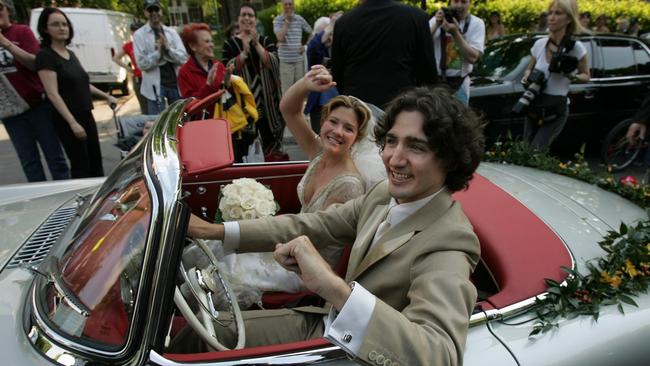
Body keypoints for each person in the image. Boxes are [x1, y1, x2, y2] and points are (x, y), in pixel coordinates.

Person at [183, 85, 485, 365]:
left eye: (416, 147)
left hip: (351, 353)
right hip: (323, 322)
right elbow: (315, 225)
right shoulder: (382, 194)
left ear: (450, 160)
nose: (394, 159)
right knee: (200, 335)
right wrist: (214, 232)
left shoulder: (450, 241)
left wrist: (333, 287)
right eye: (392, 141)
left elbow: (440, 355)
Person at [194, 66, 373, 310]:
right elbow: (288, 110)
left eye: (348, 128)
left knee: (228, 271)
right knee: (214, 247)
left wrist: (264, 238)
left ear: (357, 138)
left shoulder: (349, 185)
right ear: (323, 122)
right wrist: (306, 84)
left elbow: (317, 234)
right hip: (288, 240)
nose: (338, 132)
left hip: (304, 264)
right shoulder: (318, 152)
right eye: (333, 122)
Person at [35, 7, 117, 179]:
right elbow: (52, 94)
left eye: (64, 24)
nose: (62, 28)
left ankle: (98, 202)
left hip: (86, 114)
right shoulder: (45, 56)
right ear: (45, 29)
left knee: (96, 162)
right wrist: (72, 123)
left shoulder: (70, 54)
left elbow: (83, 84)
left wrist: (107, 96)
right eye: (55, 24)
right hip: (69, 120)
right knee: (81, 165)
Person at [0, 0, 69, 182]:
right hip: (11, 113)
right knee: (29, 162)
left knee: (55, 158)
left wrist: (5, 43)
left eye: (0, 7)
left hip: (37, 106)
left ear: (8, 9)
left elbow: (35, 63)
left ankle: (64, 195)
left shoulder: (21, 31)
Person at [331, 0, 437, 108]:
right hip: (401, 107)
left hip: (358, 108)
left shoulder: (343, 22)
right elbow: (428, 72)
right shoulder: (416, 16)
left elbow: (337, 74)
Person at [521, 0, 590, 150]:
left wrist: (571, 76)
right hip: (534, 102)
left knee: (535, 151)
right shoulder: (540, 44)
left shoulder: (576, 48)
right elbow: (528, 69)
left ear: (569, 19)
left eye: (558, 13)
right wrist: (527, 76)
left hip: (555, 108)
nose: (551, 17)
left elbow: (586, 75)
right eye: (550, 13)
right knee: (523, 150)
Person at [223, 4, 284, 153]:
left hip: (267, 103)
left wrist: (256, 43)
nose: (247, 18)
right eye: (243, 15)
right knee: (247, 147)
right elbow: (225, 71)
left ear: (255, 20)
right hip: (243, 105)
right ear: (238, 20)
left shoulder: (265, 41)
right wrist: (243, 54)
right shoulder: (229, 44)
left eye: (250, 15)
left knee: (271, 144)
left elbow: (274, 63)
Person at [133, 0, 188, 115]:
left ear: (161, 11)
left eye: (156, 9)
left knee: (179, 120)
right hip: (154, 88)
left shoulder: (171, 32)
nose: (154, 13)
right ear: (145, 13)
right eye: (150, 10)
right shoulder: (139, 35)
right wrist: (158, 53)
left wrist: (168, 49)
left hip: (175, 84)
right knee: (156, 122)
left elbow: (183, 58)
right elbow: (141, 64)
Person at [430, 0, 486, 105]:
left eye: (464, 2)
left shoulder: (476, 23)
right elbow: (420, 45)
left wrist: (455, 33)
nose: (459, 6)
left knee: (460, 119)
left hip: (459, 83)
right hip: (435, 83)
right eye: (456, 1)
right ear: (450, 2)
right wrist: (436, 25)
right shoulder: (436, 19)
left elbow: (473, 58)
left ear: (470, 3)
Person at [305, 11, 342, 133]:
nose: (328, 37)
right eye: (325, 33)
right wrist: (330, 26)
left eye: (331, 34)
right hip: (319, 106)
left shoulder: (339, 47)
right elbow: (314, 47)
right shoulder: (315, 50)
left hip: (339, 104)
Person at [178, 23, 229, 99]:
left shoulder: (219, 66)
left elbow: (228, 93)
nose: (212, 45)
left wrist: (228, 81)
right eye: (207, 41)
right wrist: (208, 86)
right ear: (193, 46)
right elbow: (190, 105)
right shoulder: (184, 72)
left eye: (212, 41)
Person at [273, 0, 312, 95]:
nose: (288, 6)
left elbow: (311, 31)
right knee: (287, 93)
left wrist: (306, 46)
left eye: (290, 4)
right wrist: (287, 22)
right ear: (282, 5)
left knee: (300, 92)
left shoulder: (299, 19)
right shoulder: (278, 20)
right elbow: (280, 38)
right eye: (285, 4)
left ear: (293, 5)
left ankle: (299, 110)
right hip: (286, 62)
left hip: (299, 61)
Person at [112, 21, 147, 114]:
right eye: (134, 30)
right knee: (144, 107)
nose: (136, 33)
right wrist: (128, 68)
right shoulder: (129, 46)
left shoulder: (147, 43)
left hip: (150, 77)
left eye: (138, 30)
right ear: (131, 32)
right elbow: (116, 58)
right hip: (139, 79)